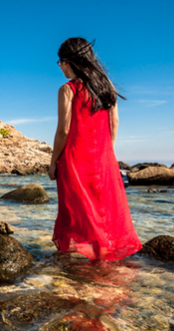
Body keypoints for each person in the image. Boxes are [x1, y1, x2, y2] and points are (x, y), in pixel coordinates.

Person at [48, 37, 142, 261]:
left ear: (69, 62)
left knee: (77, 213)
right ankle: (104, 265)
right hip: (103, 159)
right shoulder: (106, 85)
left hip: (74, 160)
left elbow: (63, 130)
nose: (60, 68)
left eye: (60, 62)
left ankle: (83, 268)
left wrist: (53, 162)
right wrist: (106, 152)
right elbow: (114, 122)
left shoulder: (68, 89)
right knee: (103, 212)